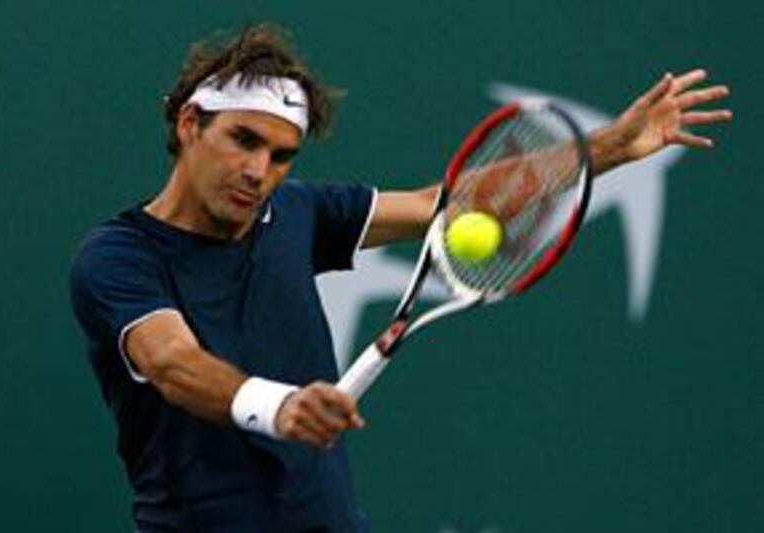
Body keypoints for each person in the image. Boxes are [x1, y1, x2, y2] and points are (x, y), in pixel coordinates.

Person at [69, 23, 731, 533]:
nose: (259, 171)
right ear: (190, 124)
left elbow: (445, 204)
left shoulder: (297, 213)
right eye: (244, 140)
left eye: (280, 156)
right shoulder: (119, 256)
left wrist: (611, 146)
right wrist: (280, 405)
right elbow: (172, 362)